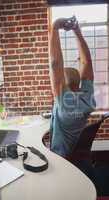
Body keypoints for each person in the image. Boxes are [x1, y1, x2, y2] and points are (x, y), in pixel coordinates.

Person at [49, 17, 96, 157]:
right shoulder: (87, 97)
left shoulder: (64, 103)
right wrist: (77, 31)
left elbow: (55, 64)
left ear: (63, 84)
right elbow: (86, 62)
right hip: (78, 156)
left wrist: (55, 28)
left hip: (61, 159)